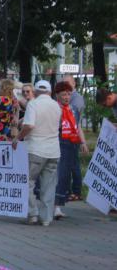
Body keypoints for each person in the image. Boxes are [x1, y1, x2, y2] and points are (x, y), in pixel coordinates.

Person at [13, 80, 61, 226]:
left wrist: (18, 138)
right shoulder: (56, 106)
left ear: (35, 91)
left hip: (35, 149)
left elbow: (29, 125)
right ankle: (46, 218)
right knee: (49, 185)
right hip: (53, 151)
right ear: (50, 91)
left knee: (27, 182)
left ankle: (32, 213)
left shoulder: (33, 104)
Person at [54, 81, 88, 219]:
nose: (67, 97)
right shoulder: (55, 108)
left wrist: (83, 142)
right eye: (64, 94)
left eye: (69, 94)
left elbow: (77, 126)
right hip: (58, 143)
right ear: (57, 95)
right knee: (59, 175)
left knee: (66, 176)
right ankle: (54, 206)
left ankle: (59, 205)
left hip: (72, 144)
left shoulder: (73, 108)